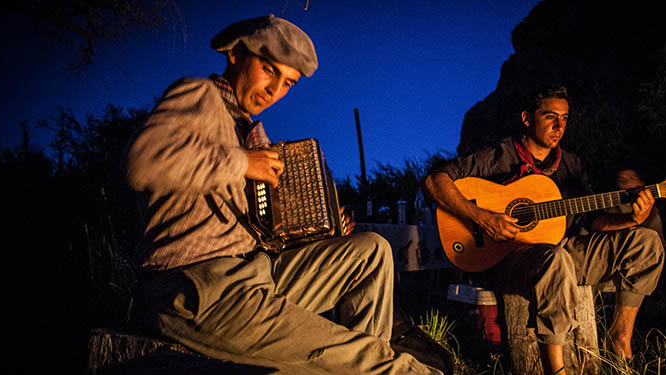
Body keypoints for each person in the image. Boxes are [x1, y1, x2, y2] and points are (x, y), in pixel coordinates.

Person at [125, 15, 442, 374]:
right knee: (373, 359)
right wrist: (242, 162)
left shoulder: (249, 129)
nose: (275, 90)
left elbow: (256, 228)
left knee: (371, 251)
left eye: (288, 83)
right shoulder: (199, 95)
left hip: (256, 273)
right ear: (235, 53)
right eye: (268, 70)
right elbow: (142, 161)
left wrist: (323, 227)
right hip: (199, 288)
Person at [424, 86, 664, 372]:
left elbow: (590, 221)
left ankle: (619, 340)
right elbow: (435, 181)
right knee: (554, 258)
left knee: (646, 242)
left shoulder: (572, 165)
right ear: (527, 118)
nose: (559, 126)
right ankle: (556, 369)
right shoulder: (498, 155)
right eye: (550, 117)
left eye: (564, 118)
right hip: (508, 258)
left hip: (562, 251)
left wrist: (633, 220)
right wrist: (482, 217)